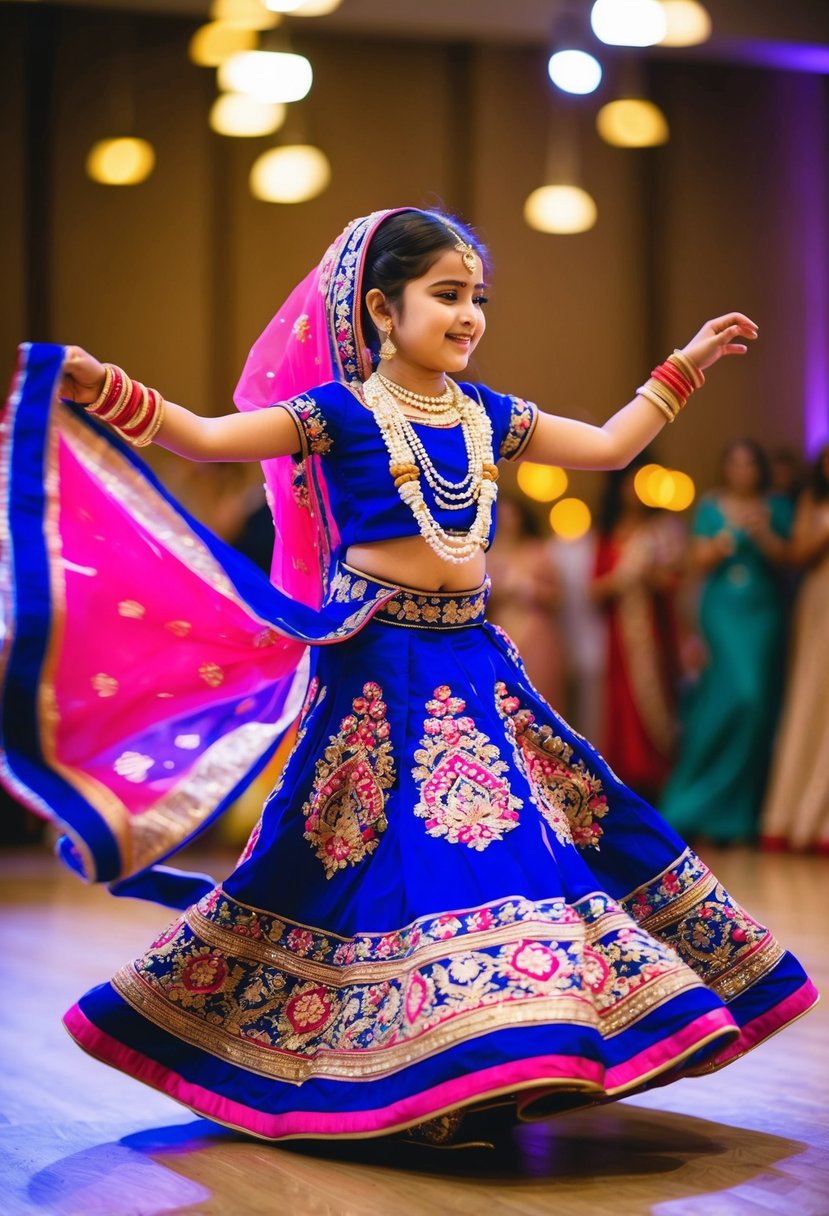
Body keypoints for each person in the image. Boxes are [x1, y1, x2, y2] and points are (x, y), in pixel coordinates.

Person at [0, 208, 816, 1145]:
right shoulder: (336, 414)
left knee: (527, 849)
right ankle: (429, 1072)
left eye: (478, 298)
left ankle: (499, 1058)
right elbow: (206, 438)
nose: (469, 315)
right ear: (383, 310)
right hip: (376, 669)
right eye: (447, 295)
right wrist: (110, 387)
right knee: (393, 868)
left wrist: (684, 365)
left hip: (472, 665)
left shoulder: (487, 415)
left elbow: (605, 446)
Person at [660, 439, 793, 845]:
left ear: (759, 469)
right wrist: (726, 539)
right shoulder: (711, 507)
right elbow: (694, 562)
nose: (742, 471)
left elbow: (789, 559)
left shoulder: (778, 507)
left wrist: (764, 533)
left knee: (755, 705)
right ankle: (689, 805)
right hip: (721, 613)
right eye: (734, 463)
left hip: (763, 613)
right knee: (732, 698)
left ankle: (737, 816)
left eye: (749, 464)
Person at [590, 457, 685, 803]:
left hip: (654, 633)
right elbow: (594, 591)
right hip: (620, 637)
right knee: (622, 704)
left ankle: (659, 782)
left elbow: (675, 582)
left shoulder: (660, 532)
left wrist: (649, 574)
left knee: (657, 700)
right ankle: (627, 782)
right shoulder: (608, 535)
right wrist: (622, 579)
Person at [761, 442, 829, 853]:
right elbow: (798, 553)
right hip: (821, 601)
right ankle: (795, 817)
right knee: (811, 699)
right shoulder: (813, 500)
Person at [485, 495, 564, 707]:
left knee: (540, 694)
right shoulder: (486, 553)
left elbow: (557, 598)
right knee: (503, 696)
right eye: (502, 515)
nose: (508, 521)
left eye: (512, 515)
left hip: (535, 630)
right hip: (499, 630)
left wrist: (529, 589)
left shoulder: (537, 551)